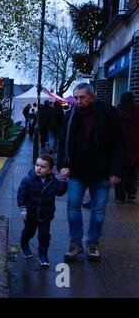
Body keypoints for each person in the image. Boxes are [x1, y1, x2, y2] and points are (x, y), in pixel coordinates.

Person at [58, 83, 125, 262]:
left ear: (92, 96)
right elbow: (63, 141)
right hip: (76, 171)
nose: (78, 101)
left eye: (82, 97)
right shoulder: (70, 114)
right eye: (76, 97)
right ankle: (75, 243)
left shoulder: (108, 113)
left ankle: (93, 244)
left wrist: (116, 170)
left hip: (101, 172)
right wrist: (62, 165)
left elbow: (119, 142)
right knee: (72, 207)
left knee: (98, 210)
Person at [18, 155, 68, 267]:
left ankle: (43, 255)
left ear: (50, 170)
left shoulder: (53, 181)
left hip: (46, 214)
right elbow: (21, 195)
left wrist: (63, 179)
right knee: (29, 232)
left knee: (44, 236)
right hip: (30, 214)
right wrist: (22, 209)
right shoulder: (27, 180)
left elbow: (60, 192)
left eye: (43, 167)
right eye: (37, 165)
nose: (38, 168)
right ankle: (24, 245)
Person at [115, 92, 139, 203]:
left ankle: (120, 196)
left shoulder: (117, 112)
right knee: (132, 170)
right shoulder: (137, 112)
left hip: (120, 145)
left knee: (120, 170)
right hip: (135, 146)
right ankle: (131, 192)